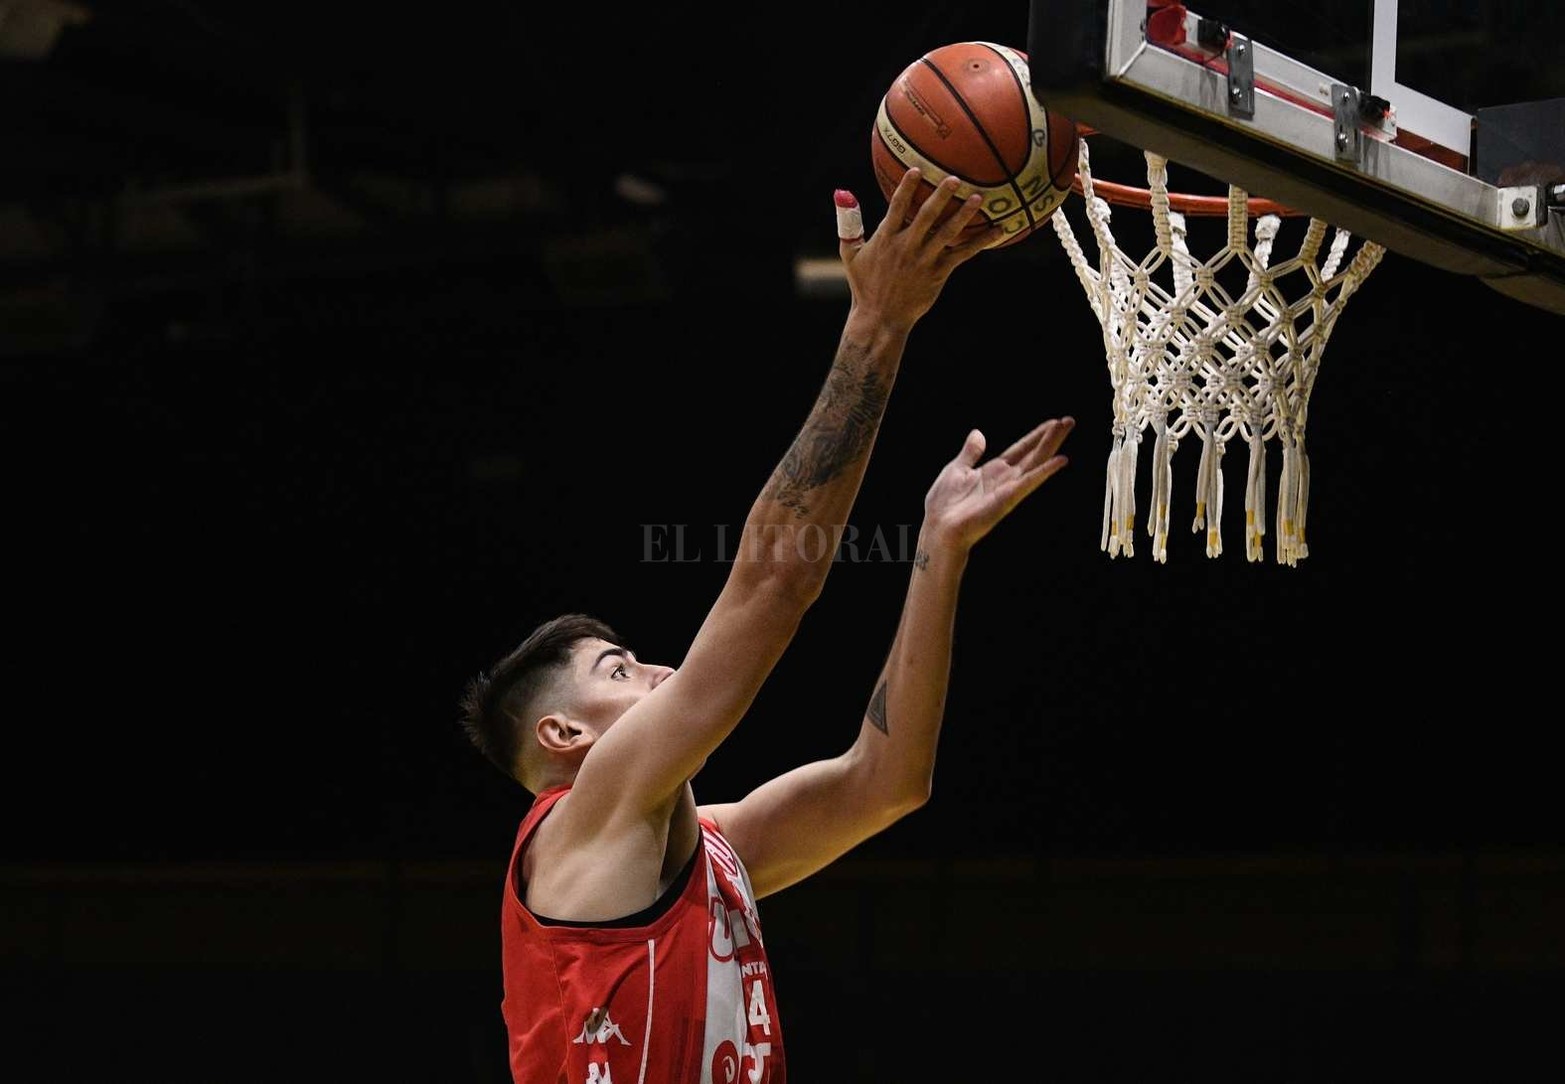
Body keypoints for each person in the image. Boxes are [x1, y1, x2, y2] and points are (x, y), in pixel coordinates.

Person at [458, 167, 1076, 1084]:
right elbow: (774, 584)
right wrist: (880, 321)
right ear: (563, 736)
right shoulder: (578, 817)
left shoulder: (713, 852)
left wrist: (938, 554)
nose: (661, 670)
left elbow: (885, 783)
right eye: (619, 668)